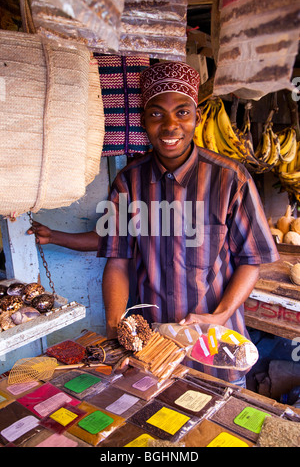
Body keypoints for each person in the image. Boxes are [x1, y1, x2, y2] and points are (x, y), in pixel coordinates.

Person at [28, 61, 279, 386]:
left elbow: (252, 260)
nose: (170, 125)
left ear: (197, 118)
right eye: (157, 113)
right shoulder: (129, 182)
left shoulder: (230, 179)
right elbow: (118, 260)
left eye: (182, 113)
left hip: (216, 345)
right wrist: (117, 326)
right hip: (151, 349)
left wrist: (221, 314)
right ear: (144, 120)